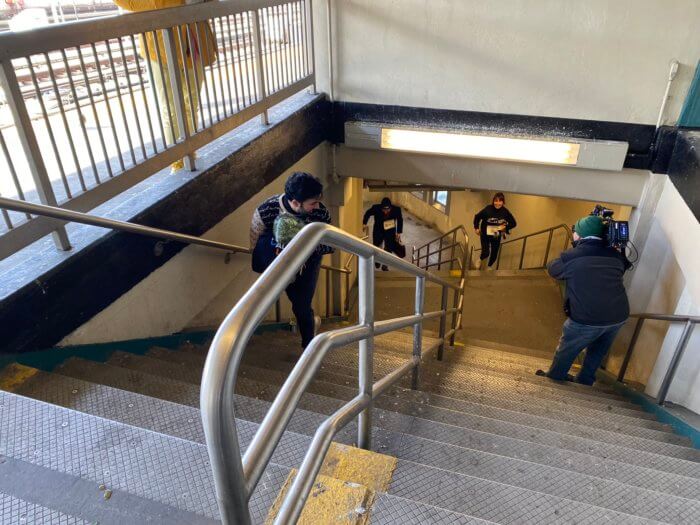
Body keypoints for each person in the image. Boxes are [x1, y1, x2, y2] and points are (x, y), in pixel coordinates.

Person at [112, 0, 217, 173]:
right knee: (170, 109)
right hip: (160, 46)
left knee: (192, 104)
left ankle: (190, 154)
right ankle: (177, 161)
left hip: (193, 42)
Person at [536, 215, 631, 385]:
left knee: (567, 349)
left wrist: (573, 250)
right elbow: (623, 268)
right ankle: (585, 381)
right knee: (598, 351)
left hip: (587, 317)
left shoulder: (571, 257)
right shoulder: (615, 256)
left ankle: (556, 378)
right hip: (618, 315)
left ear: (578, 235)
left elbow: (552, 268)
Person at [250, 172, 333, 349]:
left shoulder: (321, 213)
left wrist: (307, 246)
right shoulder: (267, 210)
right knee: (263, 300)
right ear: (295, 203)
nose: (317, 206)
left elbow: (330, 244)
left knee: (301, 305)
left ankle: (308, 344)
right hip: (280, 262)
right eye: (312, 203)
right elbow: (255, 240)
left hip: (308, 263)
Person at [473, 192, 516, 270]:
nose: (498, 203)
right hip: (485, 233)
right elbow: (477, 217)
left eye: (500, 201)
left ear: (503, 202)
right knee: (486, 252)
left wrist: (505, 228)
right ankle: (480, 259)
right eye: (496, 201)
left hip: (496, 233)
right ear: (493, 201)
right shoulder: (488, 209)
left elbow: (513, 223)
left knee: (494, 254)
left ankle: (489, 266)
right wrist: (476, 228)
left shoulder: (505, 212)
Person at [362, 197, 404, 271]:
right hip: (378, 230)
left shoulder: (396, 210)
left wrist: (398, 232)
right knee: (377, 246)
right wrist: (364, 223)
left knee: (389, 248)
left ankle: (385, 265)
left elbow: (400, 219)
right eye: (384, 210)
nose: (385, 212)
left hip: (390, 231)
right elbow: (368, 213)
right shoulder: (376, 208)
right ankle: (378, 260)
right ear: (381, 207)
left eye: (387, 210)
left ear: (391, 208)